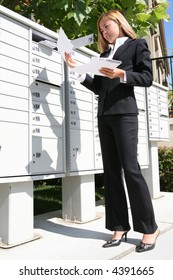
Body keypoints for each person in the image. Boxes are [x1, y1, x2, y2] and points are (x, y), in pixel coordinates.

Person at [65, 10, 160, 253]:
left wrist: (122, 74)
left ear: (119, 23)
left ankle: (149, 228)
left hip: (125, 114)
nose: (104, 32)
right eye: (101, 29)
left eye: (107, 26)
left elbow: (147, 77)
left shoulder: (136, 45)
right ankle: (119, 226)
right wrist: (78, 69)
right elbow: (99, 87)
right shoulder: (103, 54)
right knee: (111, 172)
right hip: (104, 115)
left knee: (131, 169)